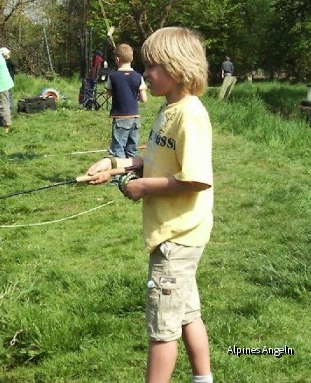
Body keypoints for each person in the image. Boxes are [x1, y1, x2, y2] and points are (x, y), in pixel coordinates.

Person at [85, 27, 214, 383]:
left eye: (154, 67)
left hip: (177, 237)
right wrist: (117, 165)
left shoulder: (190, 115)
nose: (146, 75)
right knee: (186, 313)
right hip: (176, 234)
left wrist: (143, 188)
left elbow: (196, 179)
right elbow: (156, 159)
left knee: (162, 328)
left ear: (179, 68)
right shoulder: (169, 109)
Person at [105, 43, 148, 164]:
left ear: (117, 59)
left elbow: (109, 93)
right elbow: (144, 99)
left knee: (118, 148)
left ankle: (118, 175)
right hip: (135, 117)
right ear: (132, 58)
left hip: (120, 118)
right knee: (132, 148)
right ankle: (132, 173)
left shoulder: (112, 76)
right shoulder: (138, 76)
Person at [0, 47, 16, 112]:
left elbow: (14, 65)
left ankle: (10, 109)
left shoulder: (7, 62)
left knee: (8, 95)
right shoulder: (6, 62)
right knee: (7, 95)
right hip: (7, 81)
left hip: (7, 81)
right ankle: (9, 109)